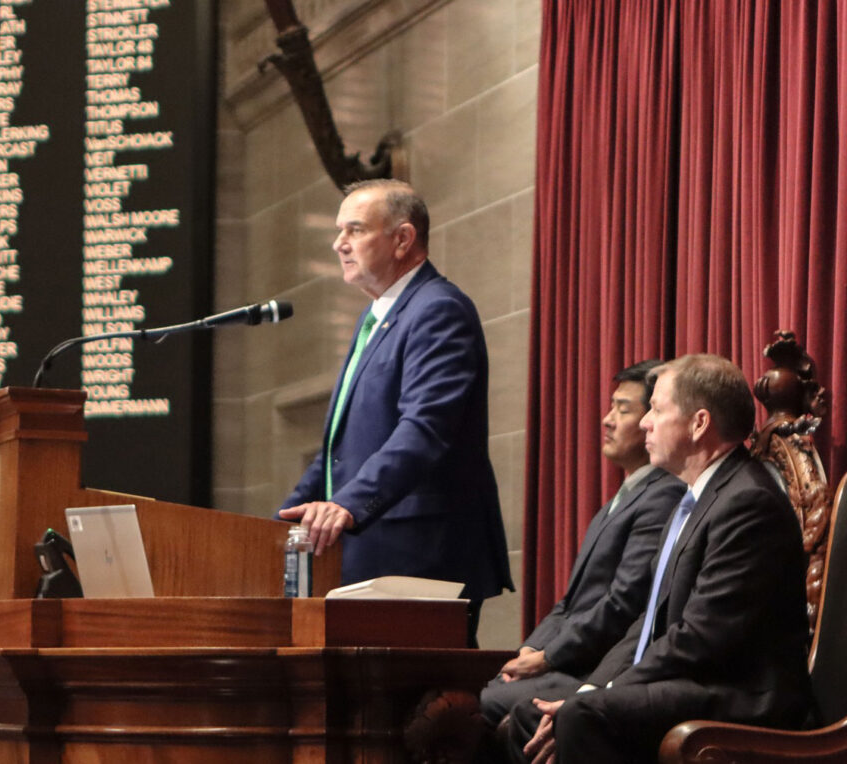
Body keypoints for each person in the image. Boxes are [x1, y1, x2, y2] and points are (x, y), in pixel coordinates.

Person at [506, 354, 811, 764]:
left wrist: (610, 693)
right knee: (531, 715)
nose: (646, 422)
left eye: (657, 409)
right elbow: (645, 623)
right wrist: (592, 687)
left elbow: (701, 638)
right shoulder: (691, 499)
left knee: (580, 717)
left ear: (698, 423)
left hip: (741, 692)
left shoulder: (747, 502)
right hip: (690, 680)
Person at [277, 179, 511, 644]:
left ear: (403, 239)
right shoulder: (378, 316)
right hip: (378, 554)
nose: (338, 243)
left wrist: (346, 503)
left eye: (355, 229)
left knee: (418, 711)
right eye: (339, 230)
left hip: (421, 556)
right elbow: (335, 456)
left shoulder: (438, 310)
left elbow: (425, 429)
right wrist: (276, 525)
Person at [480, 360, 685, 726]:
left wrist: (546, 658)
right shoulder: (619, 501)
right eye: (610, 407)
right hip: (565, 660)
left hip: (594, 668)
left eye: (623, 409)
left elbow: (624, 603)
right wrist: (530, 648)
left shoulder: (663, 495)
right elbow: (569, 603)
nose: (607, 420)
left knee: (472, 702)